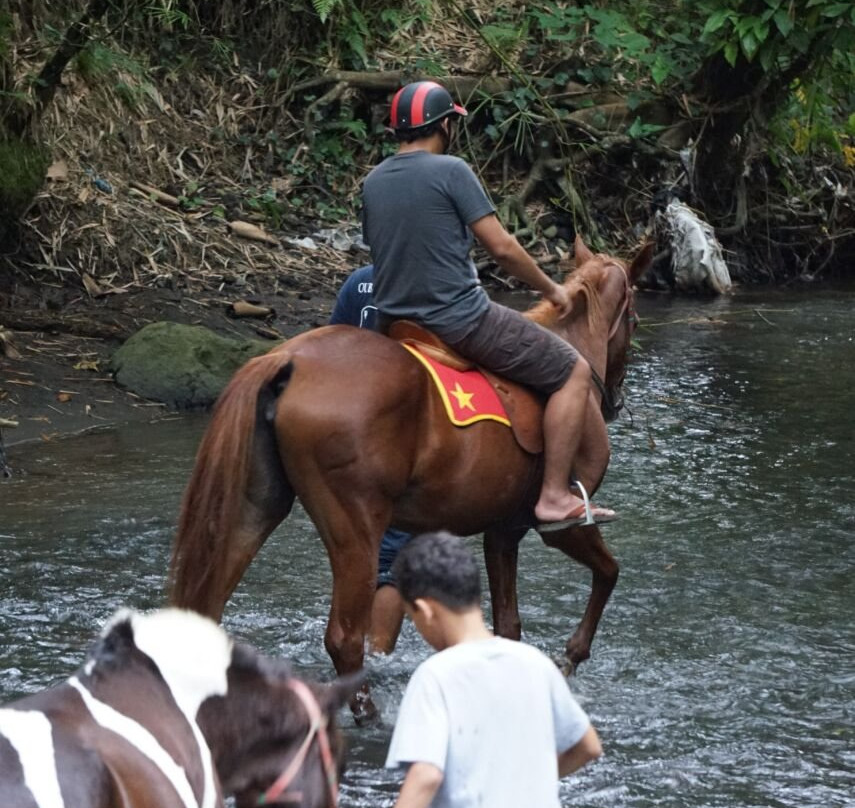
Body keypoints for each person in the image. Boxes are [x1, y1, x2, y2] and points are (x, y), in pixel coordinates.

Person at [361, 80, 615, 531]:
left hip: (393, 323)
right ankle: (554, 496)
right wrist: (551, 289)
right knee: (573, 371)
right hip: (458, 319)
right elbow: (501, 248)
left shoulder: (373, 181)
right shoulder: (452, 170)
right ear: (444, 126)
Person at [386, 531, 602, 808]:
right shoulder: (535, 662)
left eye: (412, 617)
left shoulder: (435, 675)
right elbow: (588, 746)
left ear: (425, 611)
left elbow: (426, 776)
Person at [329, 264, 412, 653]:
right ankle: (377, 660)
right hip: (395, 427)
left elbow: (333, 347)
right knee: (397, 550)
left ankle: (346, 643)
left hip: (347, 426)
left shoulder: (358, 281)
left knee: (355, 547)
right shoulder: (430, 279)